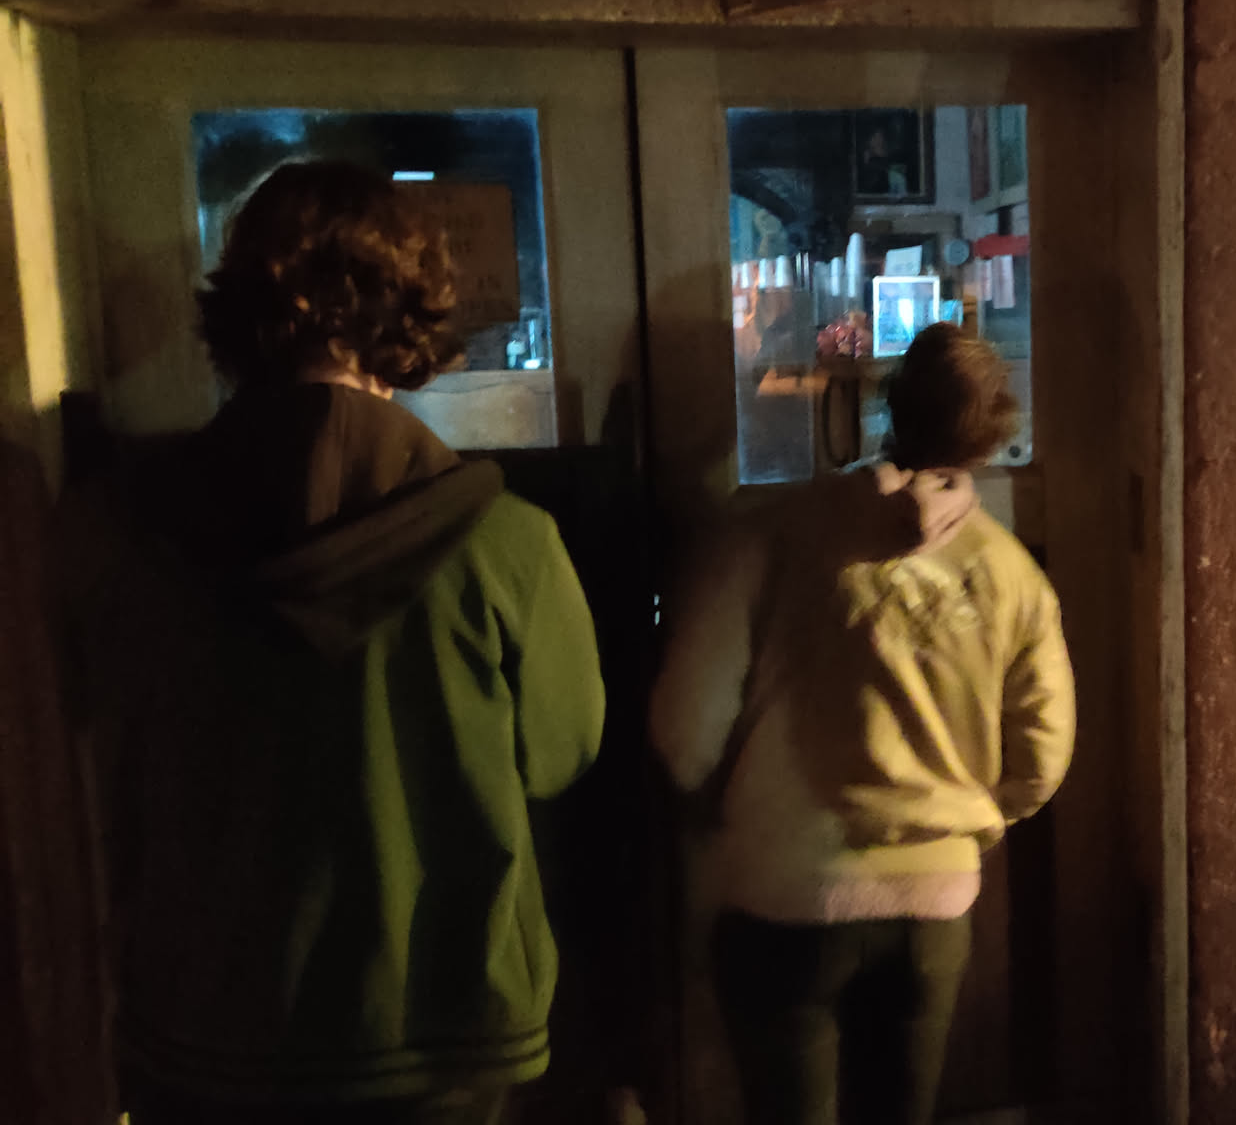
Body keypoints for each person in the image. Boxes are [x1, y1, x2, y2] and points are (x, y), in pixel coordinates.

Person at [60, 161, 605, 1125]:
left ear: (241, 316)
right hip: (443, 1024)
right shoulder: (508, 545)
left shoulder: (116, 533)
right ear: (413, 318)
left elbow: (91, 738)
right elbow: (562, 752)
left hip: (206, 1028)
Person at [651, 323, 1075, 1125]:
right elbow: (1043, 757)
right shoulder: (1014, 575)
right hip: (933, 905)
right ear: (992, 437)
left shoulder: (767, 534)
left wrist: (718, 811)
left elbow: (685, 728)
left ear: (887, 409)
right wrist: (967, 819)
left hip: (783, 899)